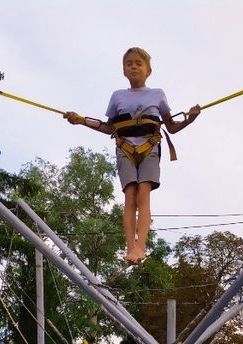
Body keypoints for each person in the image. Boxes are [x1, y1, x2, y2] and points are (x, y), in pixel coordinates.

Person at [64, 47, 200, 265]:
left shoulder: (158, 94)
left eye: (138, 63)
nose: (134, 66)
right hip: (125, 148)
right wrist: (81, 120)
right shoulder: (118, 96)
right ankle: (130, 247)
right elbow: (109, 127)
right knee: (130, 197)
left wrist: (190, 119)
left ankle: (140, 246)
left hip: (150, 147)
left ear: (148, 70)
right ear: (124, 70)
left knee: (142, 195)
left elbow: (171, 126)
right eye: (129, 64)